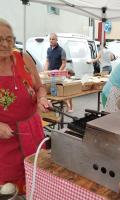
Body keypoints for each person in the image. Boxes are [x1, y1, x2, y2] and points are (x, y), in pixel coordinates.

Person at [0, 18, 51, 195]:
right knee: (10, 191)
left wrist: (42, 98)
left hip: (32, 134)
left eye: (9, 38)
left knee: (36, 183)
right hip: (4, 145)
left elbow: (40, 87)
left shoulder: (23, 58)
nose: (5, 44)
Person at [44, 33, 73, 112]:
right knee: (52, 92)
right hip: (51, 74)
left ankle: (69, 106)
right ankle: (52, 106)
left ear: (57, 40)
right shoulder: (48, 50)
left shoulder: (61, 50)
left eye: (53, 39)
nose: (51, 40)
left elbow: (64, 63)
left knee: (62, 91)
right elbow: (47, 61)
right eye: (50, 39)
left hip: (58, 74)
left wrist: (58, 72)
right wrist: (45, 71)